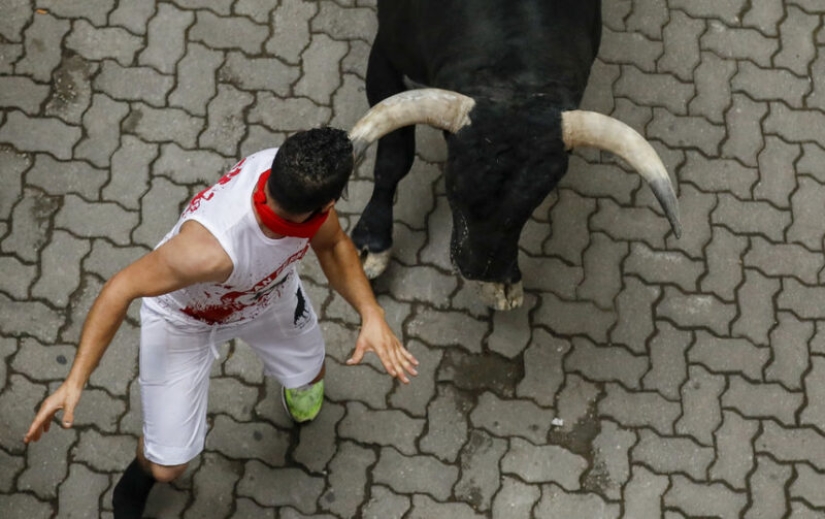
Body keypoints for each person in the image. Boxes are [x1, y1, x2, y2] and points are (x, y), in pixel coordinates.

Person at [23, 127, 419, 518]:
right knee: (168, 467)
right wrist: (75, 381)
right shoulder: (208, 251)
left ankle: (296, 385)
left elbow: (332, 244)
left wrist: (370, 312)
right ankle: (139, 477)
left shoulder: (292, 177)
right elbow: (119, 289)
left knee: (310, 373)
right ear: (329, 203)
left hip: (268, 293)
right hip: (185, 320)